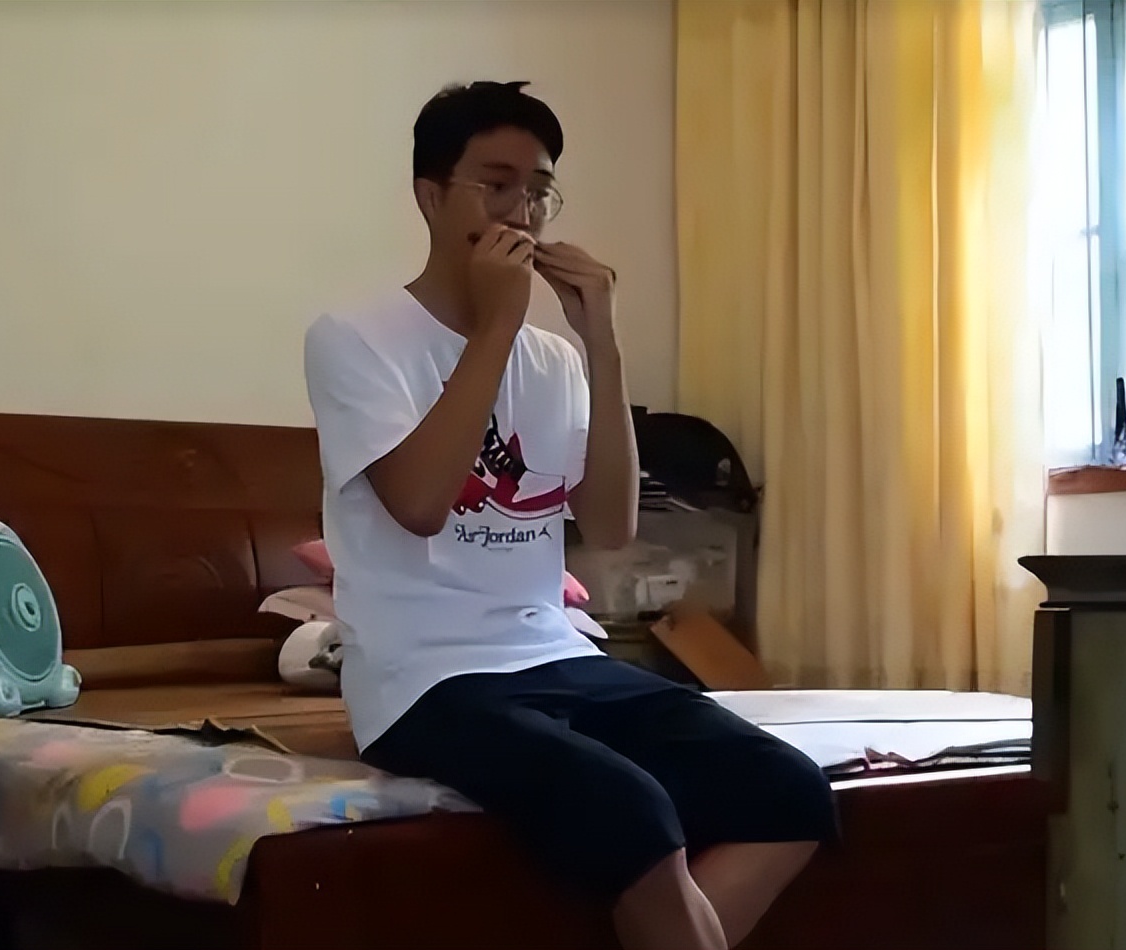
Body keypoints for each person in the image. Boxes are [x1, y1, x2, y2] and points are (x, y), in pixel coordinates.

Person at [303, 81, 835, 950]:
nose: (522, 210)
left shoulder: (554, 359)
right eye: (495, 184)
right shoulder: (355, 338)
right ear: (430, 195)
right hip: (421, 679)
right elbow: (420, 506)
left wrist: (600, 341)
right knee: (630, 807)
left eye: (540, 189)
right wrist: (495, 330)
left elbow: (612, 526)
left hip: (555, 653)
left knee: (790, 789)